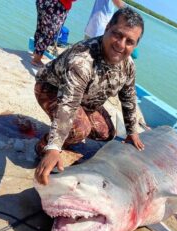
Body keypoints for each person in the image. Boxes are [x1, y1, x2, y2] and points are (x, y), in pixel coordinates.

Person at [34, 7, 144, 185]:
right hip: (52, 90)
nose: (121, 45)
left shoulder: (128, 65)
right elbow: (67, 105)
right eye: (118, 35)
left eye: (129, 41)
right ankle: (44, 147)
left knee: (107, 133)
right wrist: (54, 147)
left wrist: (132, 131)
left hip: (86, 100)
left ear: (135, 45)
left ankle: (67, 135)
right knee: (79, 129)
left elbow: (128, 96)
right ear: (107, 27)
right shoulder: (83, 59)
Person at [32, 0, 76, 67]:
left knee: (41, 27)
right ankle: (36, 59)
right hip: (56, 6)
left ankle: (36, 53)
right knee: (49, 33)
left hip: (44, 3)